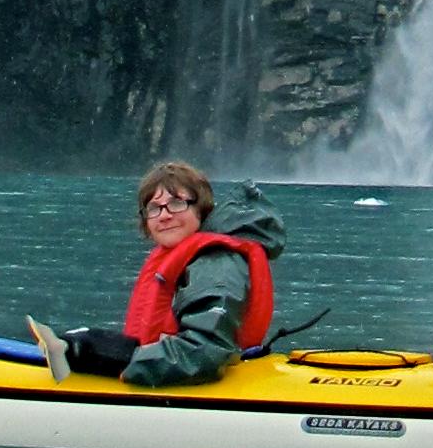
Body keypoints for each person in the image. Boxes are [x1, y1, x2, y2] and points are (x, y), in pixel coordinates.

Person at [31, 162, 284, 388]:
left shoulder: (217, 263)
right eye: (154, 208)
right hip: (171, 370)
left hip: (193, 380)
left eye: (176, 203)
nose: (164, 215)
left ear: (202, 209)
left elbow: (206, 350)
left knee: (91, 346)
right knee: (88, 340)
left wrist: (122, 362)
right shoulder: (190, 257)